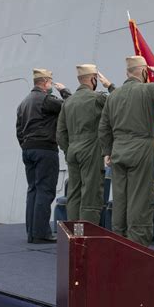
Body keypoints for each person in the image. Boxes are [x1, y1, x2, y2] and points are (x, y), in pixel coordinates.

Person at [99, 56, 154, 246]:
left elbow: (103, 126)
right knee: (141, 197)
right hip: (141, 150)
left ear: (127, 73)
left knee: (120, 198)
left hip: (118, 151)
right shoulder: (148, 91)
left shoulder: (113, 95)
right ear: (145, 72)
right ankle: (137, 244)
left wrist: (107, 151)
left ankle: (118, 240)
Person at [16, 68, 71, 243]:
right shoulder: (47, 99)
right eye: (50, 82)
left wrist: (26, 145)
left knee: (32, 190)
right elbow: (70, 107)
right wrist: (64, 91)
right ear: (46, 82)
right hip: (45, 149)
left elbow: (19, 130)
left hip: (28, 150)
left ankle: (32, 233)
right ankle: (41, 234)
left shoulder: (23, 103)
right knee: (45, 191)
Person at [56, 64, 114, 225]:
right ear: (93, 79)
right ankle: (86, 235)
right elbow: (119, 102)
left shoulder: (68, 102)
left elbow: (60, 133)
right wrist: (109, 86)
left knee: (74, 192)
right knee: (91, 192)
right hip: (91, 149)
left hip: (72, 150)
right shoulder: (97, 98)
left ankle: (73, 233)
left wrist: (68, 150)